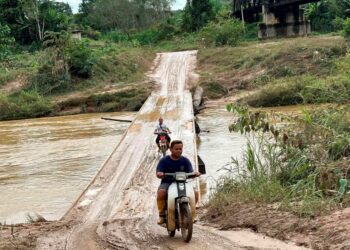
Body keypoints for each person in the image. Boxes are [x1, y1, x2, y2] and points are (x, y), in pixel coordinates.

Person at [156, 140, 200, 225]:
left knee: (195, 192)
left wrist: (195, 173)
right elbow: (158, 173)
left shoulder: (185, 160)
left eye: (180, 149)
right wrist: (160, 174)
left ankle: (192, 214)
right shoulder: (164, 160)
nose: (179, 150)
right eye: (176, 149)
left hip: (182, 182)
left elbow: (191, 172)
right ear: (171, 149)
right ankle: (161, 215)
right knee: (161, 193)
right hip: (167, 182)